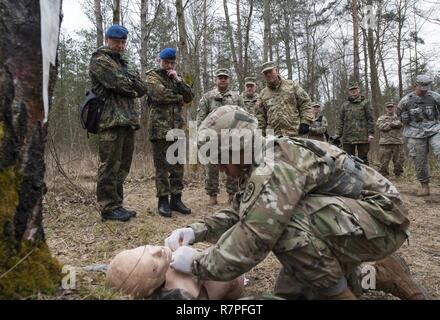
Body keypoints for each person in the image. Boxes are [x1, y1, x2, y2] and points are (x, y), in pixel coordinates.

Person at [165, 105, 423, 300]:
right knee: (292, 292)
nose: (219, 167)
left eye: (219, 158)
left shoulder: (274, 165)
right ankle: (377, 272)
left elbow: (254, 238)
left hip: (383, 220)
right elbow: (241, 211)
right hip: (362, 218)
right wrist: (197, 230)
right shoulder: (260, 159)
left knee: (285, 228)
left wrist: (199, 264)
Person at [89, 24, 148, 222]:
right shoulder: (99, 59)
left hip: (127, 121)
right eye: (117, 42)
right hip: (110, 121)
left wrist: (129, 82)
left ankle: (117, 204)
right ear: (107, 40)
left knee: (123, 165)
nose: (120, 46)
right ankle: (108, 206)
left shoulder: (124, 63)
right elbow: (119, 84)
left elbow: (142, 88)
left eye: (123, 42)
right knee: (109, 165)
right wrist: (129, 83)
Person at [146, 48, 194, 218]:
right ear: (160, 61)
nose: (169, 66)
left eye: (172, 63)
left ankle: (176, 199)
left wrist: (179, 81)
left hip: (177, 129)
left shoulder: (176, 77)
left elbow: (189, 96)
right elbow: (159, 95)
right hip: (159, 129)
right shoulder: (152, 76)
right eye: (166, 62)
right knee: (162, 168)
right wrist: (179, 97)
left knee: (177, 167)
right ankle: (163, 201)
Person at [106, 245, 244, 299]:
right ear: (151, 290)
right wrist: (202, 263)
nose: (157, 250)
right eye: (154, 266)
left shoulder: (166, 264)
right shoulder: (183, 293)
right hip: (232, 273)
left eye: (144, 249)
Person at [196, 69, 244, 205]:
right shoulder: (208, 97)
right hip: (213, 138)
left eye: (225, 78)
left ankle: (232, 195)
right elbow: (201, 118)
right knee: (211, 167)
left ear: (229, 80)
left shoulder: (236, 97)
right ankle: (212, 195)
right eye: (220, 78)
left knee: (233, 166)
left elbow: (244, 115)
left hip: (232, 137)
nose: (223, 80)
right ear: (216, 80)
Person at [397, 74, 440, 196]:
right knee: (419, 160)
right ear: (416, 85)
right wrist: (403, 119)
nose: (424, 89)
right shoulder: (406, 100)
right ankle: (424, 186)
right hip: (415, 132)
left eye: (426, 86)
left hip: (434, 129)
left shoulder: (435, 97)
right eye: (422, 86)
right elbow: (398, 114)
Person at [255, 61, 314, 137]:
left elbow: (305, 103)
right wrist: (260, 136)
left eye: (270, 71)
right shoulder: (263, 94)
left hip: (294, 133)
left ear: (276, 70)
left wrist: (306, 121)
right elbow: (260, 118)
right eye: (266, 73)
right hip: (272, 137)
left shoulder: (292, 86)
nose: (268, 74)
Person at [335, 84, 375, 165]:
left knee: (363, 158)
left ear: (359, 90)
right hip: (348, 136)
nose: (353, 91)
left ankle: (365, 176)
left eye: (355, 89)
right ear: (349, 92)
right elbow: (341, 120)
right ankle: (351, 176)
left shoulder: (365, 103)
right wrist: (338, 134)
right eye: (351, 90)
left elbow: (370, 119)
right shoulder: (345, 105)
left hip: (362, 136)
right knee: (348, 158)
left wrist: (370, 133)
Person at [376, 102, 405, 178]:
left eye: (391, 107)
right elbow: (381, 127)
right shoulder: (381, 118)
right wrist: (393, 124)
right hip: (385, 142)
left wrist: (388, 124)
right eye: (388, 107)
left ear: (394, 108)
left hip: (397, 141)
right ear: (386, 108)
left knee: (399, 160)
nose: (390, 108)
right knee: (384, 161)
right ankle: (383, 175)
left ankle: (398, 174)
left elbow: (401, 124)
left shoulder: (399, 117)